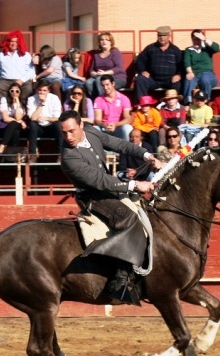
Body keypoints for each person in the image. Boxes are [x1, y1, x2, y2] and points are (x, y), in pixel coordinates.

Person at [59, 110, 162, 305]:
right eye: (64, 133)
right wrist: (135, 185)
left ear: (81, 126)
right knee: (128, 218)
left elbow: (119, 144)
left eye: (71, 131)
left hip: (109, 190)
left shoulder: (92, 132)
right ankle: (120, 280)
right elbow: (100, 181)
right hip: (92, 197)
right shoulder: (69, 157)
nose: (68, 137)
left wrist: (147, 155)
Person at [134, 26, 184, 100]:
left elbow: (182, 65)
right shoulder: (150, 48)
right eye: (160, 35)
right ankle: (141, 105)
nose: (162, 38)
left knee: (178, 84)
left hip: (169, 80)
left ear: (169, 36)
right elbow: (140, 61)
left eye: (164, 35)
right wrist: (142, 71)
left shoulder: (175, 50)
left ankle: (174, 107)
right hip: (153, 79)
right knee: (140, 79)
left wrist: (179, 75)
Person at [0, 30, 35, 100]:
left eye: (16, 41)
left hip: (22, 81)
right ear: (8, 42)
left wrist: (21, 80)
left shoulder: (25, 55)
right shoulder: (1, 54)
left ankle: (20, 104)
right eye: (12, 41)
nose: (13, 43)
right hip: (5, 81)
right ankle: (7, 104)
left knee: (28, 88)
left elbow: (31, 71)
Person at [26, 79, 63, 161]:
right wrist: (41, 104)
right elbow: (32, 118)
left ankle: (60, 154)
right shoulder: (31, 99)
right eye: (39, 90)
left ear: (48, 91)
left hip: (51, 126)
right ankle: (32, 154)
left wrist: (46, 118)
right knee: (32, 124)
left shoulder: (54, 98)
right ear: (36, 90)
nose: (41, 92)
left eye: (44, 90)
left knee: (58, 124)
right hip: (38, 127)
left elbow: (57, 117)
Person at [85, 32, 127, 99]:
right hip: (99, 76)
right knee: (88, 82)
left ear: (111, 42)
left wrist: (105, 73)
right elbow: (91, 70)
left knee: (100, 80)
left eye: (107, 40)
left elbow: (119, 68)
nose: (104, 42)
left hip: (117, 78)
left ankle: (104, 101)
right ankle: (95, 102)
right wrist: (95, 74)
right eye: (102, 40)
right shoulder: (96, 54)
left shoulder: (115, 52)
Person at [183, 29, 220, 103]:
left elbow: (217, 48)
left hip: (208, 73)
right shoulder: (189, 50)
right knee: (189, 79)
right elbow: (187, 62)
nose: (197, 40)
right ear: (192, 39)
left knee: (205, 79)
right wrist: (189, 72)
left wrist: (204, 38)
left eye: (198, 39)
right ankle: (188, 103)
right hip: (195, 74)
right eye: (195, 39)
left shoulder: (207, 48)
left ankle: (206, 101)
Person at [93, 74, 133, 141]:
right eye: (103, 85)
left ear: (113, 83)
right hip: (104, 128)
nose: (105, 88)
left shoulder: (124, 98)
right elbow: (97, 120)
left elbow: (128, 119)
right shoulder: (98, 99)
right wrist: (105, 125)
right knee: (94, 129)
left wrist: (115, 124)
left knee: (127, 128)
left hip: (118, 127)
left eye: (107, 84)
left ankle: (125, 150)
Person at [0, 82, 27, 155]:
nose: (14, 93)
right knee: (15, 130)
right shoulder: (4, 100)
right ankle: (13, 155)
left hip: (15, 127)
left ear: (20, 92)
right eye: (12, 91)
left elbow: (18, 117)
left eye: (17, 91)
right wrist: (20, 121)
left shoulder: (22, 103)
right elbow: (5, 118)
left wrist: (17, 104)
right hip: (3, 127)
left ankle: (3, 146)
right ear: (9, 92)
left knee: (14, 125)